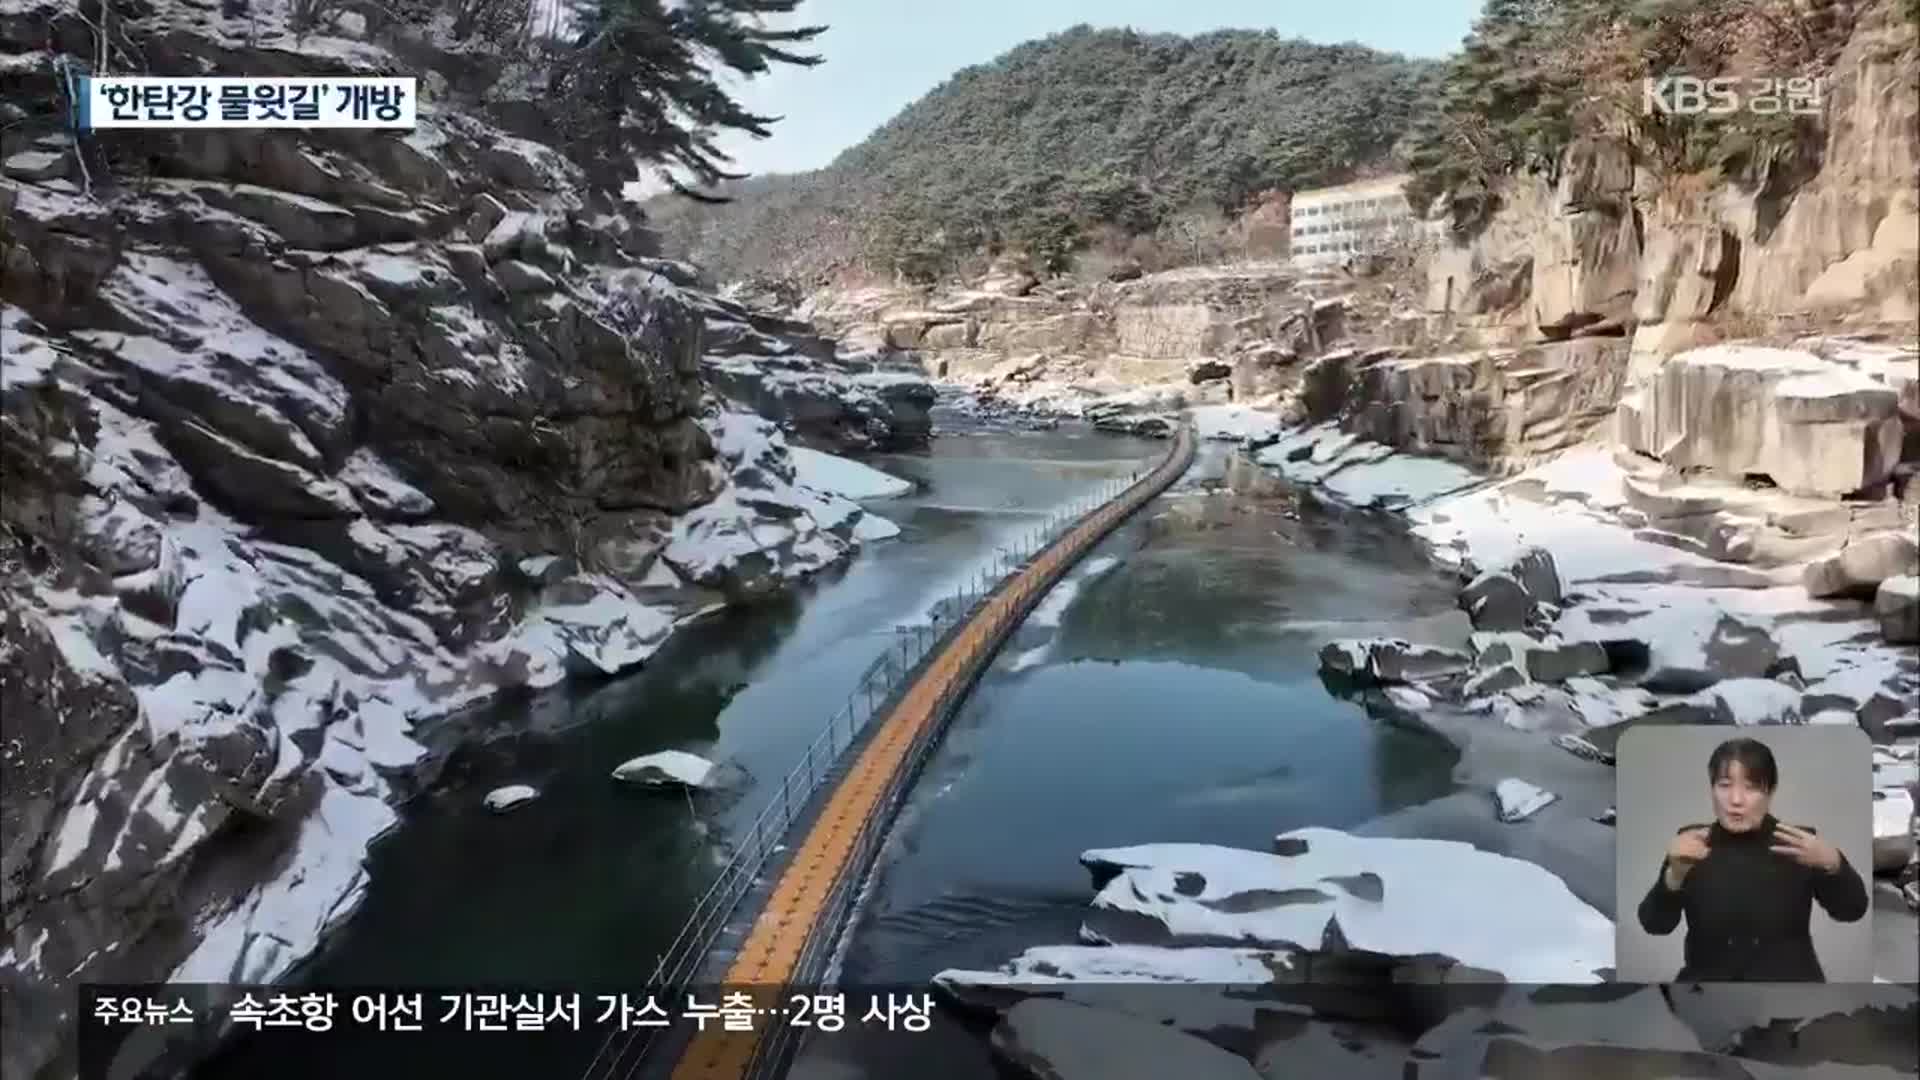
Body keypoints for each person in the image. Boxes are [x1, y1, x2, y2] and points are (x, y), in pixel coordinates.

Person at [1636, 736, 1868, 982]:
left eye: (1751, 787)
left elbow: (1851, 911)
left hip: (1791, 999)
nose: (1736, 800)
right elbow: (1655, 925)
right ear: (1712, 789)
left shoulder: (1799, 843)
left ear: (1770, 792)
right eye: (1724, 785)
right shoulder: (1692, 842)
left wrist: (1835, 864)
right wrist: (1674, 876)